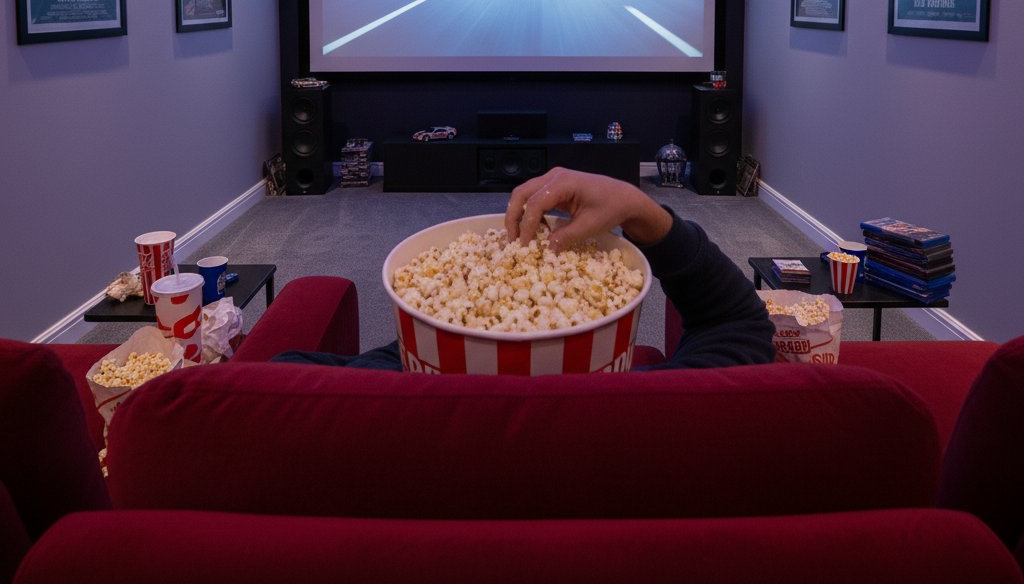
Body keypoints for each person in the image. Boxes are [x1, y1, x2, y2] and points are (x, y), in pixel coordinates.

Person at [273, 167, 776, 370]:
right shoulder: (657, 414)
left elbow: (277, 376)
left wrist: (407, 345)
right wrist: (641, 208)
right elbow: (742, 325)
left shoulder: (369, 402)